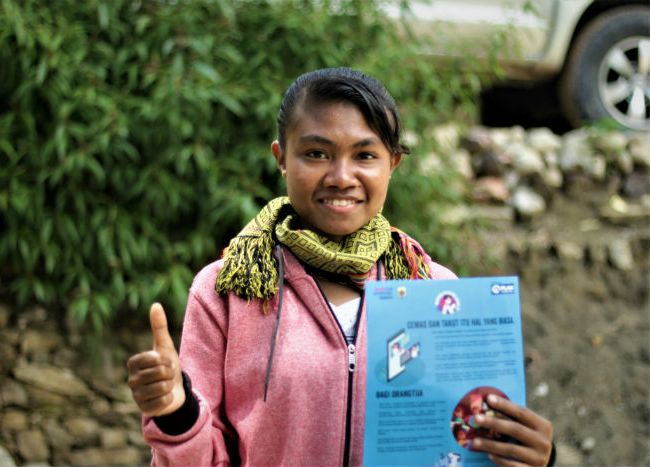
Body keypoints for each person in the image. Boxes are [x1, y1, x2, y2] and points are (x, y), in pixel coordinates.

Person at [126, 68, 555, 467]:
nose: (341, 176)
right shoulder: (228, 289)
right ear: (281, 158)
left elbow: (460, 445)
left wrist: (528, 455)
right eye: (316, 153)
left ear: (393, 164)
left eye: (365, 155)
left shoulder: (436, 293)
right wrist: (177, 415)